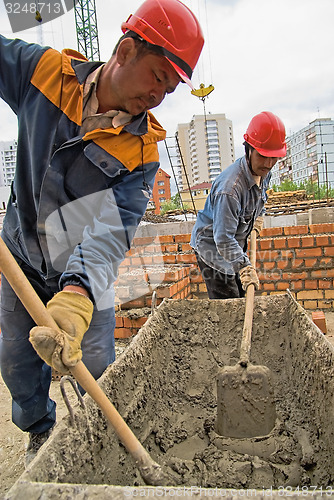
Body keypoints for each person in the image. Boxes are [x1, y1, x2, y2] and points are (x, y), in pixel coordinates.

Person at [0, 0, 204, 464]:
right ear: (126, 50)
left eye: (169, 89)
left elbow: (112, 230)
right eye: (157, 76)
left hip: (83, 272)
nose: (159, 95)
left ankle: (100, 442)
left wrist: (78, 293)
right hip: (20, 259)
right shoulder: (47, 73)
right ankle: (39, 429)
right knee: (15, 361)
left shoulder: (142, 151)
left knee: (95, 362)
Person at [191, 111, 286, 300]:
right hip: (213, 249)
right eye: (262, 155)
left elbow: (259, 200)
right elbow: (223, 240)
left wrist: (258, 217)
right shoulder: (230, 189)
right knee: (229, 301)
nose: (268, 163)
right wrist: (244, 267)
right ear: (248, 149)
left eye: (274, 157)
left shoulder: (264, 173)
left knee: (242, 294)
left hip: (234, 243)